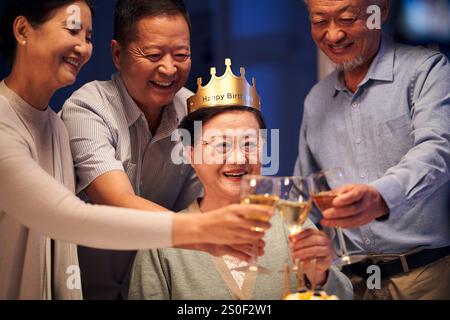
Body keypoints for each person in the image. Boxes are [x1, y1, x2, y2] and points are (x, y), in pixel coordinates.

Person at [0, 0, 272, 300]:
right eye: (73, 31)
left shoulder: (50, 122)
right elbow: (89, 209)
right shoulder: (83, 109)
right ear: (117, 53)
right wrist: (205, 229)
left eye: (88, 38)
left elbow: (203, 200)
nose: (82, 48)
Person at [128, 60, 353, 300]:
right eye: (221, 145)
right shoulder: (163, 243)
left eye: (249, 144)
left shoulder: (293, 225)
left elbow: (343, 294)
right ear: (190, 154)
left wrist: (320, 277)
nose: (237, 158)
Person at [295, 0, 450, 299]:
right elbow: (304, 198)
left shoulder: (427, 70)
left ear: (382, 11)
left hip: (426, 277)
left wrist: (380, 197)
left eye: (348, 18)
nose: (334, 35)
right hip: (349, 285)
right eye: (319, 21)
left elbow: (438, 150)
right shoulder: (316, 100)